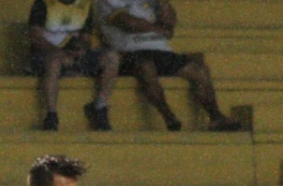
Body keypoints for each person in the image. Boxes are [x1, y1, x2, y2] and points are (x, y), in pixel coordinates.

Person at [95, 0, 243, 132]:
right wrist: (158, 29)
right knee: (145, 67)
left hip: (161, 51)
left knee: (198, 69)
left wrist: (162, 3)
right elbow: (128, 23)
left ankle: (216, 117)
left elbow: (170, 25)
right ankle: (169, 117)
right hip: (130, 52)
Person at [28, 0, 120, 132]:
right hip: (47, 53)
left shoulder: (85, 5)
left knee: (111, 57)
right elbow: (35, 37)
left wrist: (80, 50)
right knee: (54, 63)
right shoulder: (43, 4)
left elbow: (86, 39)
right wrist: (58, 52)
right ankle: (51, 115)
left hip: (72, 55)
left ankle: (99, 106)